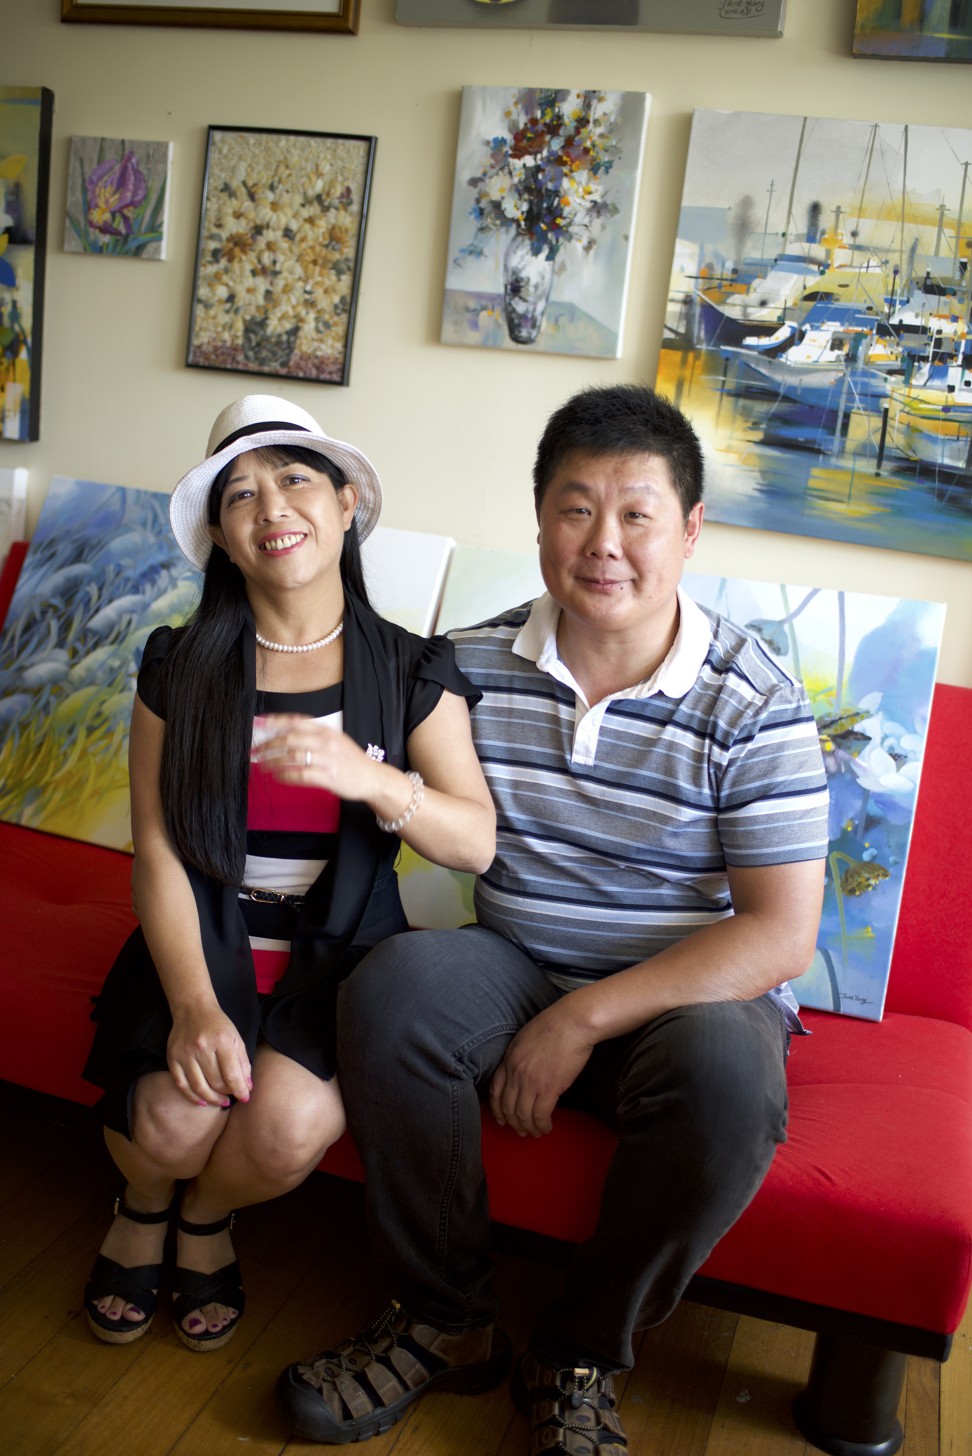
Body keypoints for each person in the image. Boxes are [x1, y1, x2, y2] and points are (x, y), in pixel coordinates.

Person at [276, 384, 829, 1454]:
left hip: (685, 994)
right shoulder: (471, 664)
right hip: (517, 959)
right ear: (538, 522)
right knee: (391, 989)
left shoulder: (753, 698)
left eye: (638, 515)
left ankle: (577, 1352)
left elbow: (777, 936)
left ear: (692, 530)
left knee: (729, 1076)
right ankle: (446, 1318)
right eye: (576, 509)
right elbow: (405, 806)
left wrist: (580, 1021)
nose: (605, 544)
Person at [81, 394, 495, 1352]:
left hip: (336, 963)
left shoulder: (410, 670)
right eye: (240, 495)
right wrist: (191, 1004)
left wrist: (368, 776)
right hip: (201, 944)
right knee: (172, 1129)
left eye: (296, 478)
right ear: (223, 538)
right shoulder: (177, 667)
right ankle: (143, 1203)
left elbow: (473, 842)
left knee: (285, 1131)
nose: (271, 507)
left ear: (347, 505)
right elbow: (156, 849)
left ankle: (205, 1220)